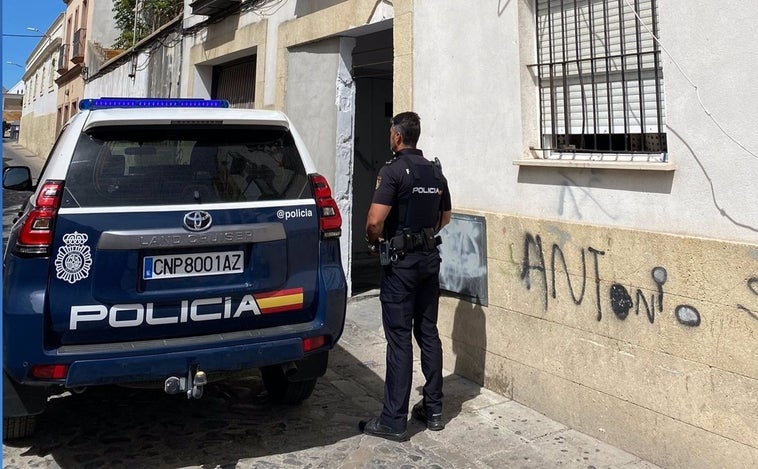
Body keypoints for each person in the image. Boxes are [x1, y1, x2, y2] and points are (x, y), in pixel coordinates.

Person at [359, 112, 452, 442]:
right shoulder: (435, 172)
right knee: (428, 331)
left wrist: (376, 241)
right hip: (429, 260)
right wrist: (424, 237)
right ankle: (434, 409)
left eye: (390, 133)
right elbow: (446, 216)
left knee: (399, 339)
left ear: (397, 137)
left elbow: (374, 220)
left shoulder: (393, 171)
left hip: (401, 265)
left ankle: (394, 420)